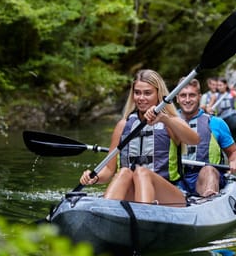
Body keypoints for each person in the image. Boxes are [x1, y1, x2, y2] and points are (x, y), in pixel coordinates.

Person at [79, 69, 200, 207]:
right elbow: (108, 170)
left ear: (158, 94)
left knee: (142, 172)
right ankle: (105, 213)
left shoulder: (169, 121)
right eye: (137, 93)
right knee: (124, 172)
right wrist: (94, 177)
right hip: (134, 192)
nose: (141, 98)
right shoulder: (123, 125)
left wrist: (165, 119)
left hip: (169, 195)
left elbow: (194, 140)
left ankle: (144, 216)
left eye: (147, 93)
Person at [173, 78, 236, 197]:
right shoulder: (166, 123)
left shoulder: (216, 123)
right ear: (177, 98)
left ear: (199, 97)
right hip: (177, 177)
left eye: (192, 95)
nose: (188, 99)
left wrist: (235, 162)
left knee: (208, 169)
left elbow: (234, 152)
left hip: (207, 176)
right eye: (183, 95)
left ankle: (209, 200)